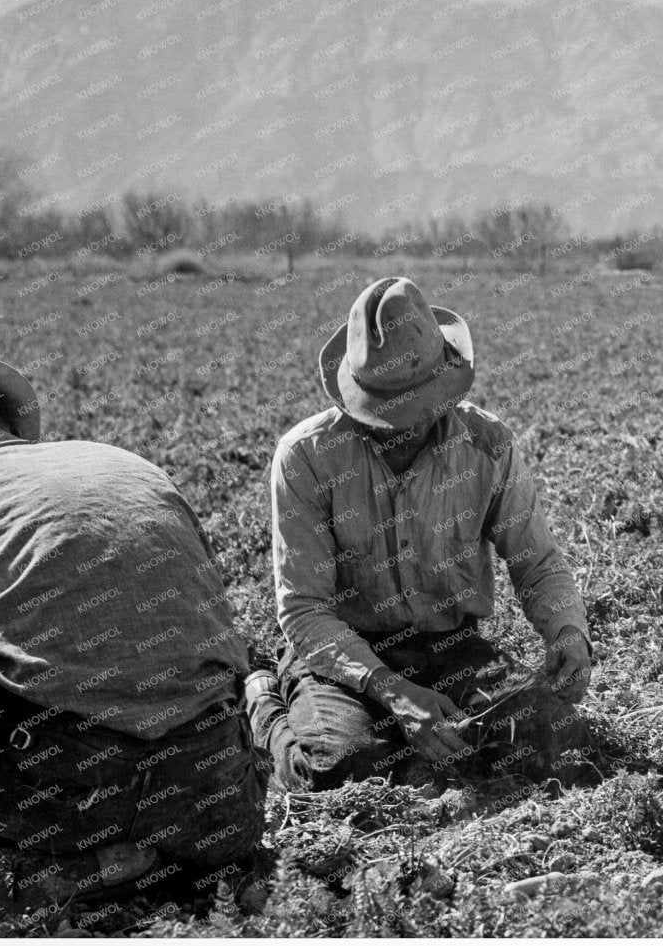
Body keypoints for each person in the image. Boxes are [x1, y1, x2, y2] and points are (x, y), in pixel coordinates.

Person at [247, 277, 594, 792]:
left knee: (558, 738)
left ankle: (415, 747)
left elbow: (536, 560)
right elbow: (305, 609)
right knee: (340, 771)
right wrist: (394, 693)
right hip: (345, 656)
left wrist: (567, 630)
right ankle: (261, 700)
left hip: (448, 646)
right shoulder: (308, 457)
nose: (406, 426)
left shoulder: (487, 446)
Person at [0, 356, 263, 925]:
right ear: (8, 420)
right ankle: (170, 858)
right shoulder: (124, 465)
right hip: (216, 794)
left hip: (67, 793)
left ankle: (74, 870)